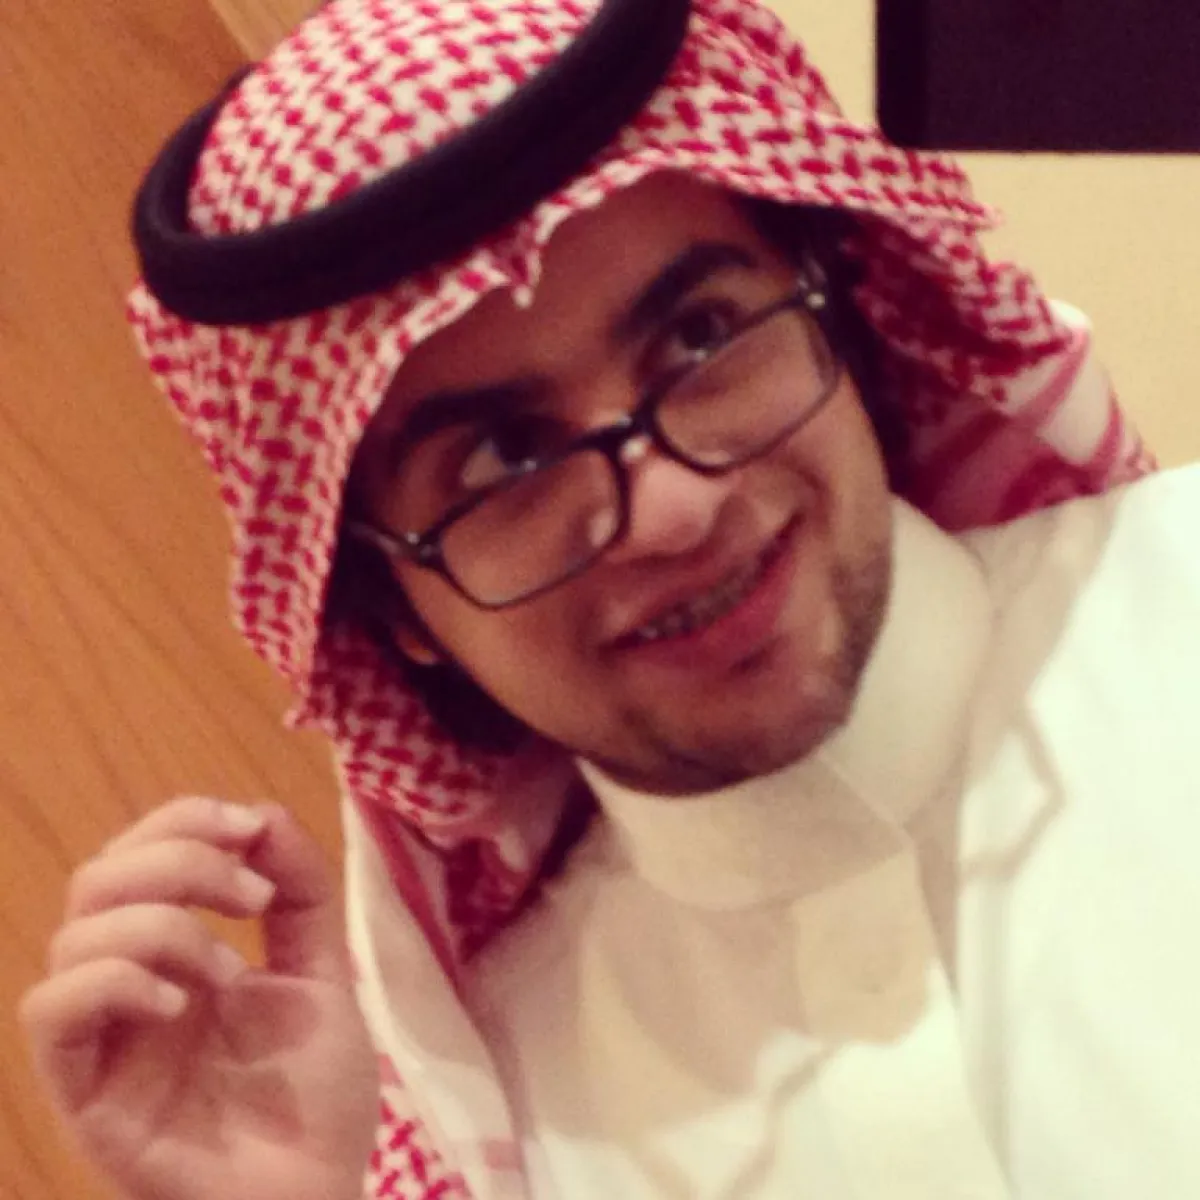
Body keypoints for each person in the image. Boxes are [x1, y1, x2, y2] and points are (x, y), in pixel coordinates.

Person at [19, 1, 1200, 1198]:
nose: (672, 509)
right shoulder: (487, 1106)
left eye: (702, 336)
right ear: (394, 614)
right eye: (505, 461)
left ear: (838, 310)